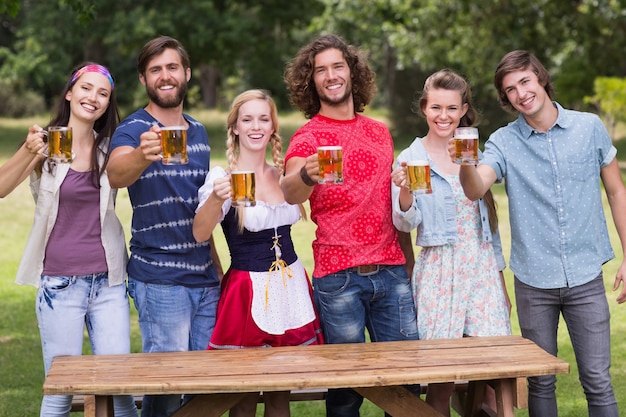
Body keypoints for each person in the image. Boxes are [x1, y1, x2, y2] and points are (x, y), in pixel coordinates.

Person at [452, 50, 626, 417]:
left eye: (525, 81)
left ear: (541, 78)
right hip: (534, 284)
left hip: (586, 276)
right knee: (540, 381)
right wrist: (466, 162)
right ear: (506, 98)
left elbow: (616, 191)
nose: (521, 93)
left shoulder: (588, 127)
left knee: (597, 379)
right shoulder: (503, 142)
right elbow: (474, 189)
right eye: (510, 89)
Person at [281, 33, 419, 417]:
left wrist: (407, 261)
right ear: (311, 82)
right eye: (320, 70)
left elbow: (393, 204)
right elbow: (290, 191)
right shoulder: (307, 138)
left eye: (337, 66)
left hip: (392, 272)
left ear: (352, 73)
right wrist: (307, 175)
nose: (330, 75)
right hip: (338, 276)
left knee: (406, 381)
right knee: (345, 391)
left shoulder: (380, 132)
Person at [5, 63, 138, 417]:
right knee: (61, 393)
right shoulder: (46, 142)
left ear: (108, 104)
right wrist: (29, 151)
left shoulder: (111, 149)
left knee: (120, 389)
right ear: (69, 93)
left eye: (103, 93)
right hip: (60, 285)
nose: (92, 97)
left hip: (108, 283)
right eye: (86, 88)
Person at [106, 36, 222, 417]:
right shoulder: (133, 129)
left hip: (205, 280)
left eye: (172, 67)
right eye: (155, 70)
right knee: (166, 385)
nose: (165, 76)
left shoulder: (200, 133)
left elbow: (201, 208)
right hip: (159, 280)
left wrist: (218, 271)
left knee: (205, 387)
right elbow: (116, 173)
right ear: (144, 79)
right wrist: (143, 153)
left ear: (186, 74)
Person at [193, 89, 324, 417]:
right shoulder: (223, 178)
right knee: (245, 392)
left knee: (281, 392)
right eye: (247, 119)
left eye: (263, 119)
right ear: (234, 127)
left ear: (272, 128)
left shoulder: (282, 176)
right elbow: (199, 233)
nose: (255, 126)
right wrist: (214, 199)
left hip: (290, 285)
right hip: (247, 291)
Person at [391, 69, 512, 416]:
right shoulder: (411, 157)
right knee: (441, 382)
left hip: (482, 269)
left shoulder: (473, 150)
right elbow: (404, 222)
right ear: (424, 108)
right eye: (436, 108)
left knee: (493, 376)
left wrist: (501, 284)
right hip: (439, 273)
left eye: (451, 109)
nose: (443, 116)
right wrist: (403, 189)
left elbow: (488, 227)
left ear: (463, 110)